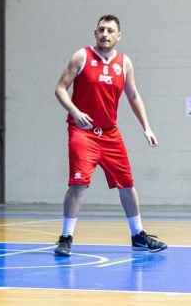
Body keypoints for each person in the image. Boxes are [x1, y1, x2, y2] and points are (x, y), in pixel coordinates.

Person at [53, 15, 167, 257]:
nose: (105, 34)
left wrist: (146, 127)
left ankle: (138, 235)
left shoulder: (125, 63)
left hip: (110, 134)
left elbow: (133, 96)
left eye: (110, 30)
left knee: (127, 184)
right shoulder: (81, 56)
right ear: (95, 33)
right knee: (78, 184)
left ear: (119, 36)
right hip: (82, 132)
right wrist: (74, 111)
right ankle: (65, 238)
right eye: (101, 30)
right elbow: (60, 88)